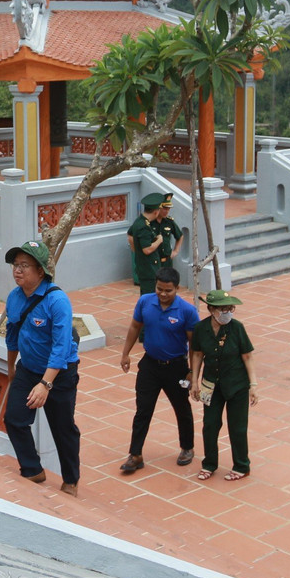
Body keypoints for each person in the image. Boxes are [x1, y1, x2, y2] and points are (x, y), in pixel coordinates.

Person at [2, 239, 81, 496]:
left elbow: (61, 347)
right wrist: (12, 368)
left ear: (40, 271)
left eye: (25, 265)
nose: (18, 270)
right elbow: (12, 335)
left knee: (63, 429)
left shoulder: (57, 301)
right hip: (28, 368)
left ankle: (71, 479)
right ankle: (32, 469)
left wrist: (46, 384)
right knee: (14, 418)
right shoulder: (14, 298)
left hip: (59, 374)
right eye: (15, 265)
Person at [117, 266, 199, 473]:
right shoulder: (145, 301)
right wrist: (125, 353)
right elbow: (135, 326)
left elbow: (195, 346)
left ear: (177, 288)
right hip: (150, 366)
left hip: (176, 368)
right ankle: (135, 454)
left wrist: (193, 373)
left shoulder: (188, 311)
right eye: (159, 289)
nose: (162, 294)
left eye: (168, 290)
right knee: (143, 410)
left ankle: (187, 447)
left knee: (181, 408)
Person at [190, 289, 257, 482]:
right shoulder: (201, 329)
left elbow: (247, 356)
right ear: (211, 309)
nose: (227, 312)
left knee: (237, 426)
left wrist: (253, 385)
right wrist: (194, 382)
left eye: (230, 308)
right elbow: (197, 355)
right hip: (211, 384)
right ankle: (209, 464)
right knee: (210, 425)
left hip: (237, 385)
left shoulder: (237, 328)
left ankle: (242, 466)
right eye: (223, 309)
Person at [129, 193, 172, 295]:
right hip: (149, 269)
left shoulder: (139, 221)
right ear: (156, 212)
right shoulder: (143, 226)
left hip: (147, 267)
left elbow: (130, 236)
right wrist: (159, 241)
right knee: (149, 296)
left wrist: (136, 251)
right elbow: (147, 249)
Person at [155, 192, 185, 275]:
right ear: (159, 207)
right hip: (154, 260)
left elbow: (180, 236)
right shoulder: (150, 222)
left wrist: (176, 251)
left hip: (167, 261)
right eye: (165, 208)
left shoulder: (169, 222)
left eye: (168, 209)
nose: (167, 211)